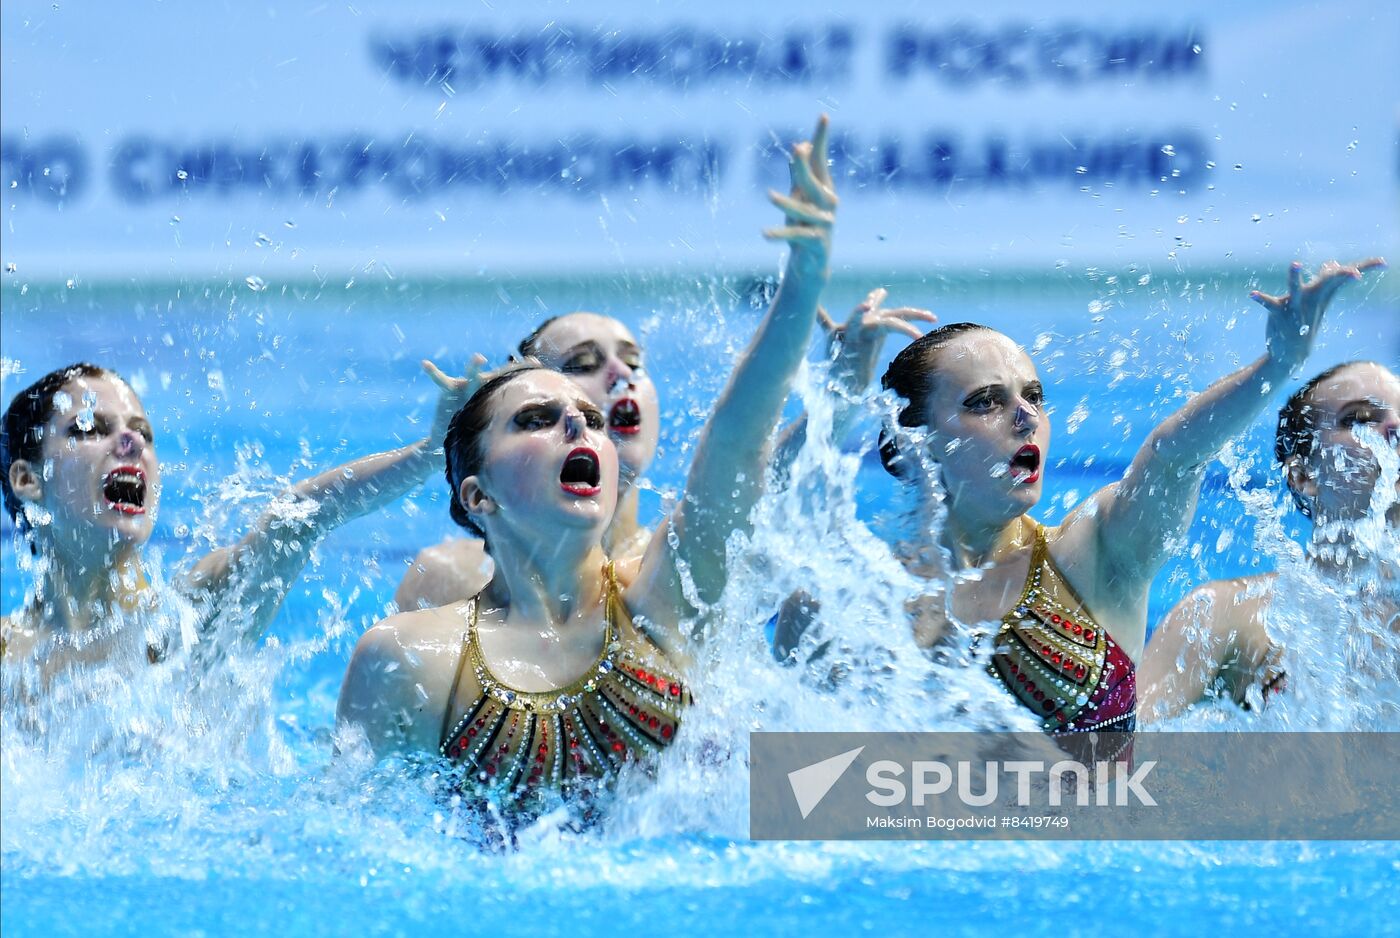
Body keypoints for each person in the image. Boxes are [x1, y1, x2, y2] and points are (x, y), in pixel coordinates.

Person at [335, 117, 838, 814]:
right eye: (538, 418)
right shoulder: (408, 661)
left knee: (1000, 789)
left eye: (591, 418)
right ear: (477, 496)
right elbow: (350, 842)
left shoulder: (660, 597)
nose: (581, 417)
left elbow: (732, 449)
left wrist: (802, 284)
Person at [861, 257, 1385, 736]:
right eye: (985, 402)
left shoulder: (1091, 554)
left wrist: (1277, 364)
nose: (1026, 417)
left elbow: (1173, 456)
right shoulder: (855, 597)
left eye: (1035, 397)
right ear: (913, 443)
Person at [395, 290, 932, 614]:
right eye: (583, 363)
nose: (621, 374)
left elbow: (750, 470)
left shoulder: (679, 561)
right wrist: (432, 450)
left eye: (635, 362)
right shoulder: (448, 577)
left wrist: (839, 389)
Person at [0, 358, 472, 693]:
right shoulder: (6, 655)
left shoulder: (188, 616)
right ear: (26, 479)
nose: (129, 441)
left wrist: (429, 453)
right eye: (90, 429)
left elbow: (297, 518)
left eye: (142, 432)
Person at [1139, 359, 1399, 721]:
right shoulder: (1228, 614)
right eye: (1357, 419)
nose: (1395, 429)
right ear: (1303, 475)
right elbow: (1119, 757)